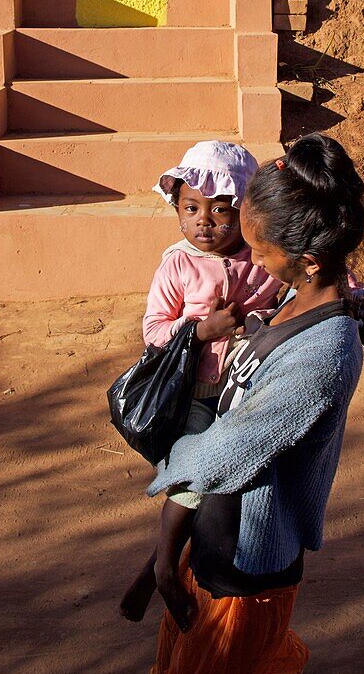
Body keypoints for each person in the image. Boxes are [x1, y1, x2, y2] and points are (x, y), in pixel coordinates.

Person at [145, 133, 364, 674]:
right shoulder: (294, 297)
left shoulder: (323, 354)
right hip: (224, 531)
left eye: (261, 249)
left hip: (250, 554)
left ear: (309, 259)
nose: (252, 258)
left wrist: (168, 477)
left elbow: (228, 452)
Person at [120, 141, 281, 630]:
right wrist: (199, 331)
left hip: (244, 388)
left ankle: (152, 570)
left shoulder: (263, 257)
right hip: (193, 391)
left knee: (223, 486)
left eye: (221, 211)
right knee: (192, 475)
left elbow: (303, 284)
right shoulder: (177, 264)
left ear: (246, 213)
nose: (204, 222)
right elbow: (153, 331)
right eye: (191, 209)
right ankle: (167, 568)